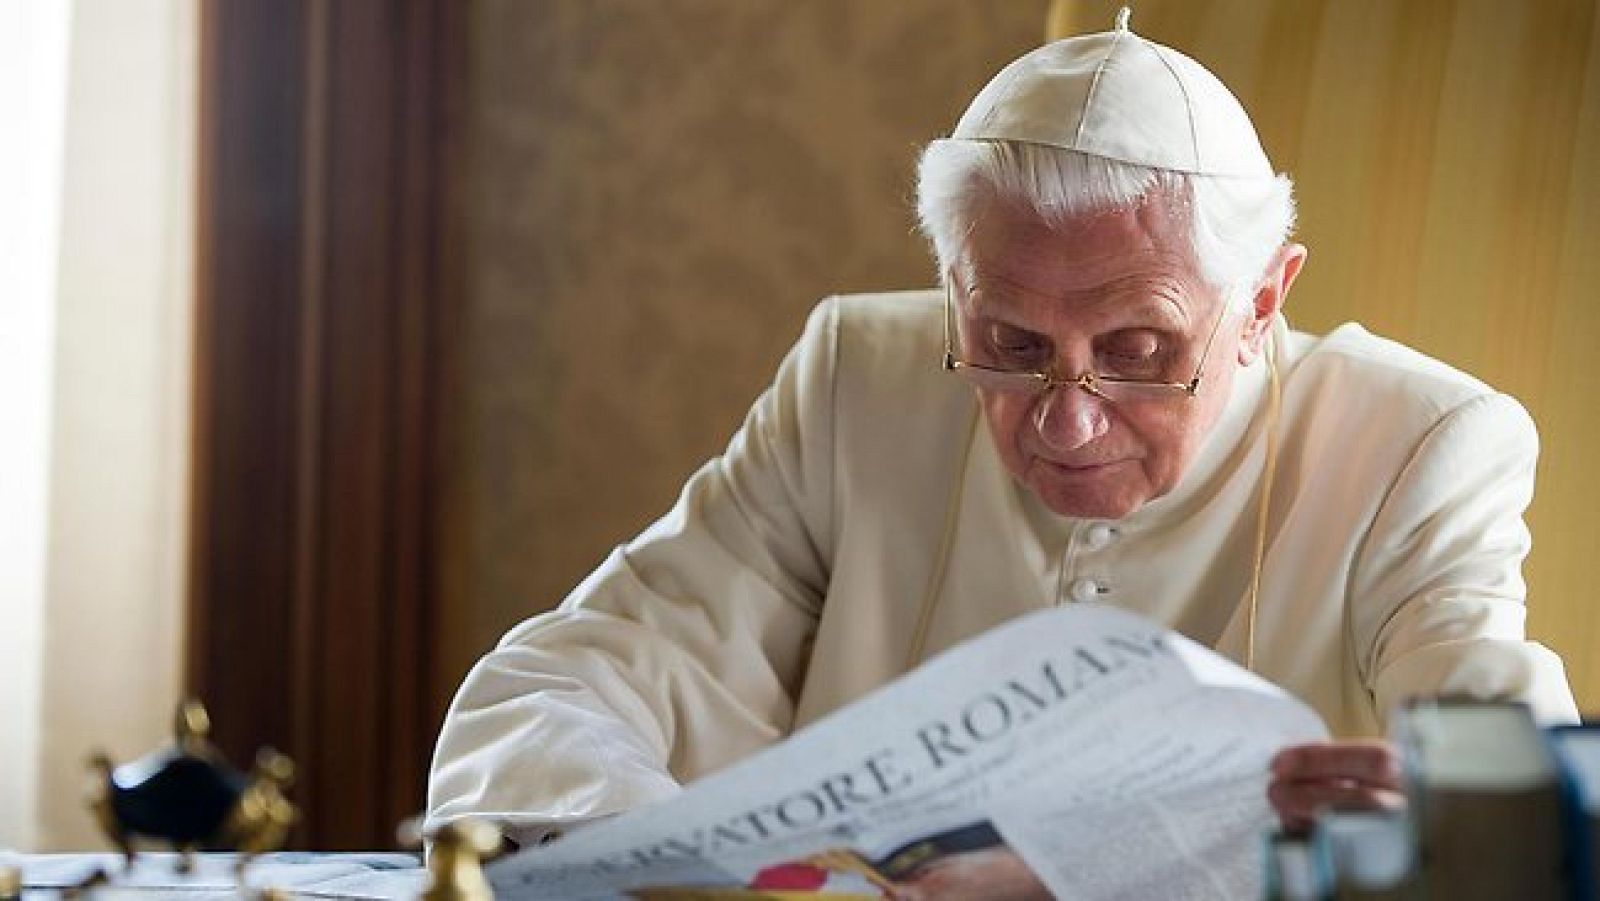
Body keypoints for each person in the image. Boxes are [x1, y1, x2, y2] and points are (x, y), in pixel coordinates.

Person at [426, 10, 1579, 851]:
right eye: (1010, 345)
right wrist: (669, 863)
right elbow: (560, 686)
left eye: (1138, 352)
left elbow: (1503, 775)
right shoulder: (856, 381)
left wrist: (1430, 822)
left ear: (1261, 304)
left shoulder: (1420, 443)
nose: (1066, 421)